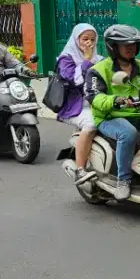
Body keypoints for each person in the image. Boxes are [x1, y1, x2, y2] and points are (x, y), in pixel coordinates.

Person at [84, 24, 140, 200]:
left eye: (134, 44)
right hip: (109, 117)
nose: (130, 48)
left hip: (138, 115)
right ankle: (124, 180)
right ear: (113, 47)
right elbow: (94, 97)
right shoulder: (98, 70)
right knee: (127, 133)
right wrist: (115, 100)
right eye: (125, 44)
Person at [56, 24, 102, 184]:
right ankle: (80, 169)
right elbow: (74, 80)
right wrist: (87, 60)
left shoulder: (100, 59)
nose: (89, 43)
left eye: (93, 39)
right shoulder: (66, 59)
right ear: (76, 40)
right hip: (76, 107)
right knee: (92, 124)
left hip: (97, 103)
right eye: (85, 39)